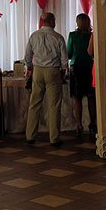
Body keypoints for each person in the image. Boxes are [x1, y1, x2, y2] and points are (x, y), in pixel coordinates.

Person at [24, 12, 68, 146]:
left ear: (42, 22)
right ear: (52, 21)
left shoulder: (34, 36)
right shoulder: (58, 37)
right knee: (54, 106)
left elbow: (27, 56)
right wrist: (63, 71)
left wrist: (30, 67)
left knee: (34, 104)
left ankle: (30, 136)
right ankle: (54, 138)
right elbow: (64, 60)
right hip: (53, 71)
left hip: (38, 70)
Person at [66, 13, 96, 136]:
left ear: (77, 23)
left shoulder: (72, 35)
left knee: (77, 98)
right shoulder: (92, 35)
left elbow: (68, 53)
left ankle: (79, 125)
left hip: (76, 68)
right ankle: (93, 124)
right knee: (91, 97)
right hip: (90, 67)